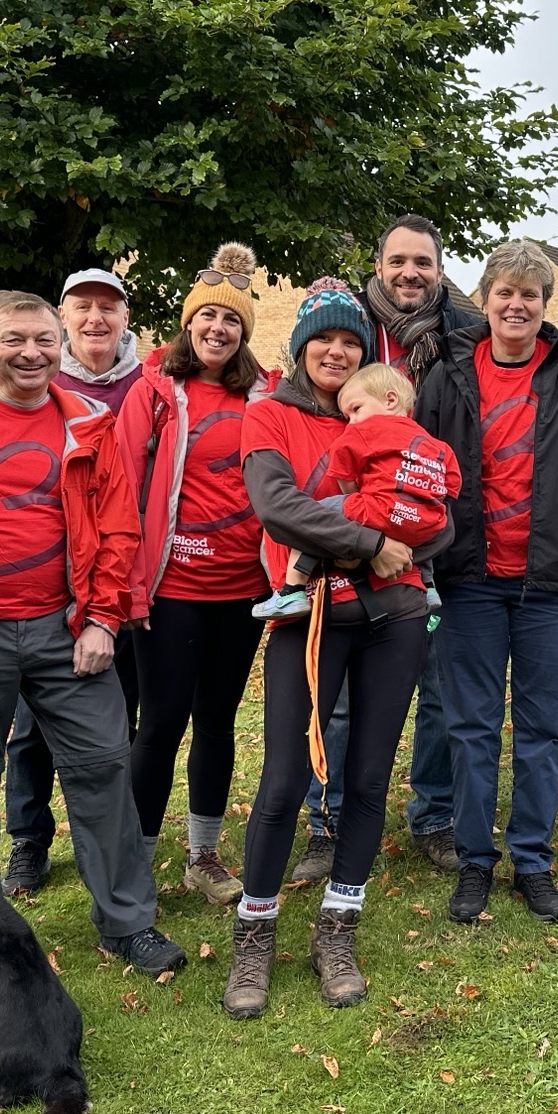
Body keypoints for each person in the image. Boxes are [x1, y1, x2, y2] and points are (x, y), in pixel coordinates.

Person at [0, 291, 185, 976]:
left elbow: (119, 527)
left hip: (66, 627)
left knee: (104, 769)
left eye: (45, 340)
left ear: (62, 347)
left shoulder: (89, 423)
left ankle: (127, 924)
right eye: (15, 340)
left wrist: (104, 618)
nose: (31, 353)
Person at [222, 280, 450, 1017]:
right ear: (300, 347)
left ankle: (337, 926)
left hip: (395, 616)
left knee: (370, 779)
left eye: (351, 341)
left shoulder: (393, 420)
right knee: (286, 780)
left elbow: (440, 515)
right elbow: (277, 506)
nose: (336, 350)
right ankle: (254, 931)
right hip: (309, 617)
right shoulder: (270, 416)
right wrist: (375, 542)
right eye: (324, 338)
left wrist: (405, 542)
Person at [416, 240, 558, 925]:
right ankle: (477, 861)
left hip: (553, 584)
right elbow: (414, 472)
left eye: (530, 295)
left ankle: (532, 860)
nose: (516, 304)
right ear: (484, 298)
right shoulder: (445, 376)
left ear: (545, 305)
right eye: (505, 292)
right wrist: (421, 555)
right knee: (472, 727)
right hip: (468, 579)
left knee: (541, 730)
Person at [297, 215, 482, 880]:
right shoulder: (343, 334)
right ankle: (329, 820)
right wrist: (359, 537)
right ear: (378, 267)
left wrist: (438, 532)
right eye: (397, 261)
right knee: (339, 699)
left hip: (435, 539)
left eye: (423, 263)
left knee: (438, 690)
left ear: (439, 271)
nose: (410, 273)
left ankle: (432, 814)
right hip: (350, 545)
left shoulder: (464, 342)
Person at [117, 244, 275, 907]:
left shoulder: (266, 395)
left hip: (242, 589)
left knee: (216, 721)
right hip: (171, 587)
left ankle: (203, 854)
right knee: (159, 724)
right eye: (207, 316)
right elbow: (122, 484)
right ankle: (136, 858)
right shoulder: (155, 390)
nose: (218, 329)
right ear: (190, 323)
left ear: (243, 333)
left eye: (231, 321)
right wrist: (128, 583)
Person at [0, 266, 144, 896]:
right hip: (56, 593)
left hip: (133, 583)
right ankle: (29, 841)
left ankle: (120, 849)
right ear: (62, 317)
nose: (95, 319)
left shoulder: (154, 385)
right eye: (82, 307)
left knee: (115, 729)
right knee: (30, 730)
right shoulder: (39, 383)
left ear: (124, 319)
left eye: (107, 308)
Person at [252, 363, 457, 619]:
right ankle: (428, 586)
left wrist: (351, 491)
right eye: (347, 417)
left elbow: (341, 457)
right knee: (419, 531)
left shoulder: (366, 430)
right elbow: (451, 483)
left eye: (356, 410)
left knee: (319, 513)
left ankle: (292, 590)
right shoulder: (435, 443)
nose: (352, 423)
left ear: (390, 400)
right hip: (425, 515)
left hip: (377, 508)